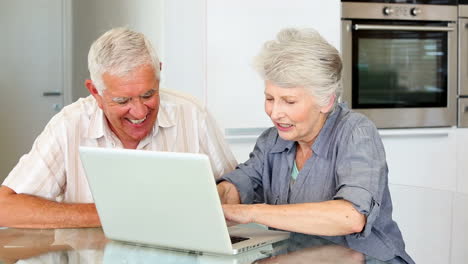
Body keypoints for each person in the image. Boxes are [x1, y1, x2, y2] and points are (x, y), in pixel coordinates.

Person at [0, 27, 237, 228]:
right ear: (95, 92)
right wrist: (113, 215)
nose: (140, 112)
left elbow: (236, 191)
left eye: (148, 94)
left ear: (160, 74)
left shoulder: (193, 114)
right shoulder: (69, 124)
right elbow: (6, 207)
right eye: (123, 101)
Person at [216, 28, 414, 264]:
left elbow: (350, 216)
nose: (275, 113)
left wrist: (251, 212)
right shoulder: (272, 140)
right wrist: (218, 198)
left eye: (289, 101)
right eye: (269, 98)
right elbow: (241, 182)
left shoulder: (356, 133)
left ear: (326, 100)